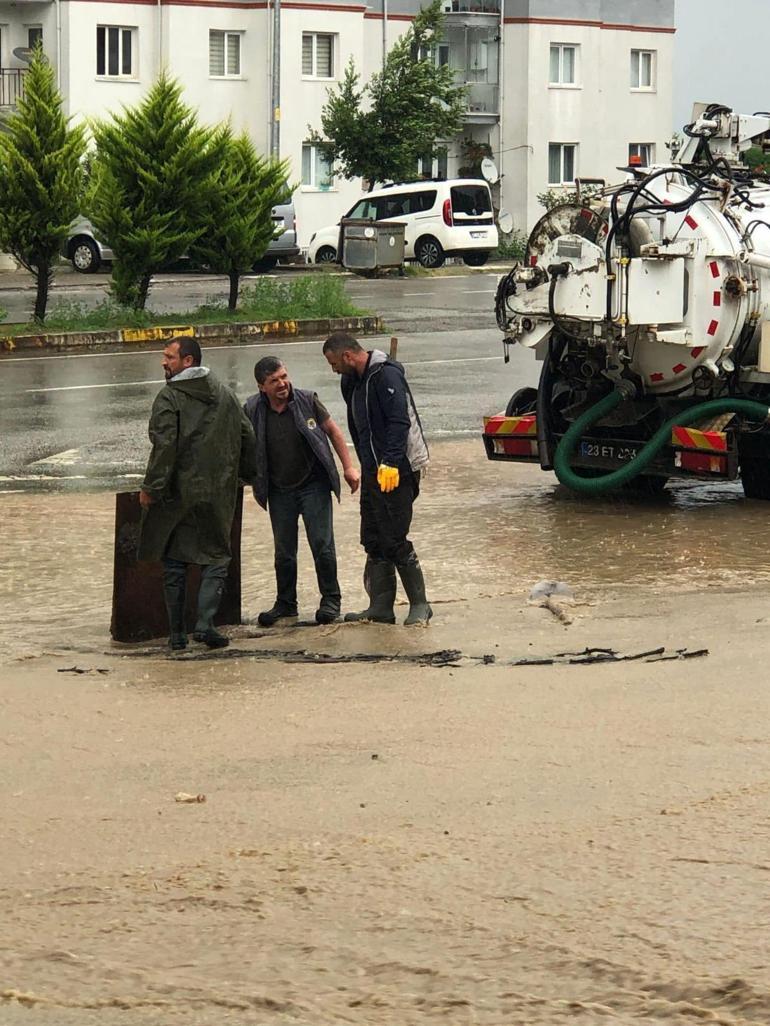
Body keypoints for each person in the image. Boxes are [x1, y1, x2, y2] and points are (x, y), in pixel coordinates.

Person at [137, 337, 257, 651]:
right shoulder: (226, 394)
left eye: (169, 357)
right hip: (218, 493)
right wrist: (242, 476)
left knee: (175, 561)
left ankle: (177, 635)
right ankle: (205, 624)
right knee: (216, 557)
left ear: (187, 361)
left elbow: (164, 447)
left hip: (177, 495)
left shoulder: (169, 397)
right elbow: (249, 437)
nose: (164, 362)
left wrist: (151, 488)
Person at [322, 332, 432, 626]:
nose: (333, 370)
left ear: (347, 356)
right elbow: (361, 427)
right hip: (372, 469)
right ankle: (381, 607)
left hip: (400, 468)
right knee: (372, 537)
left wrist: (391, 462)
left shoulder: (387, 377)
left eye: (334, 363)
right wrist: (367, 465)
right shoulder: (351, 382)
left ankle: (420, 605)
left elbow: (399, 422)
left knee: (394, 537)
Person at [244, 356, 360, 627]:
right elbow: (240, 441)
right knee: (284, 551)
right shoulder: (252, 408)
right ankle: (286, 604)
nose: (282, 383)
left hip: (314, 485)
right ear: (262, 386)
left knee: (322, 544)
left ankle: (331, 600)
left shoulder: (308, 400)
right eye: (274, 381)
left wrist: (349, 467)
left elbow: (333, 431)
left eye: (284, 376)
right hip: (279, 489)